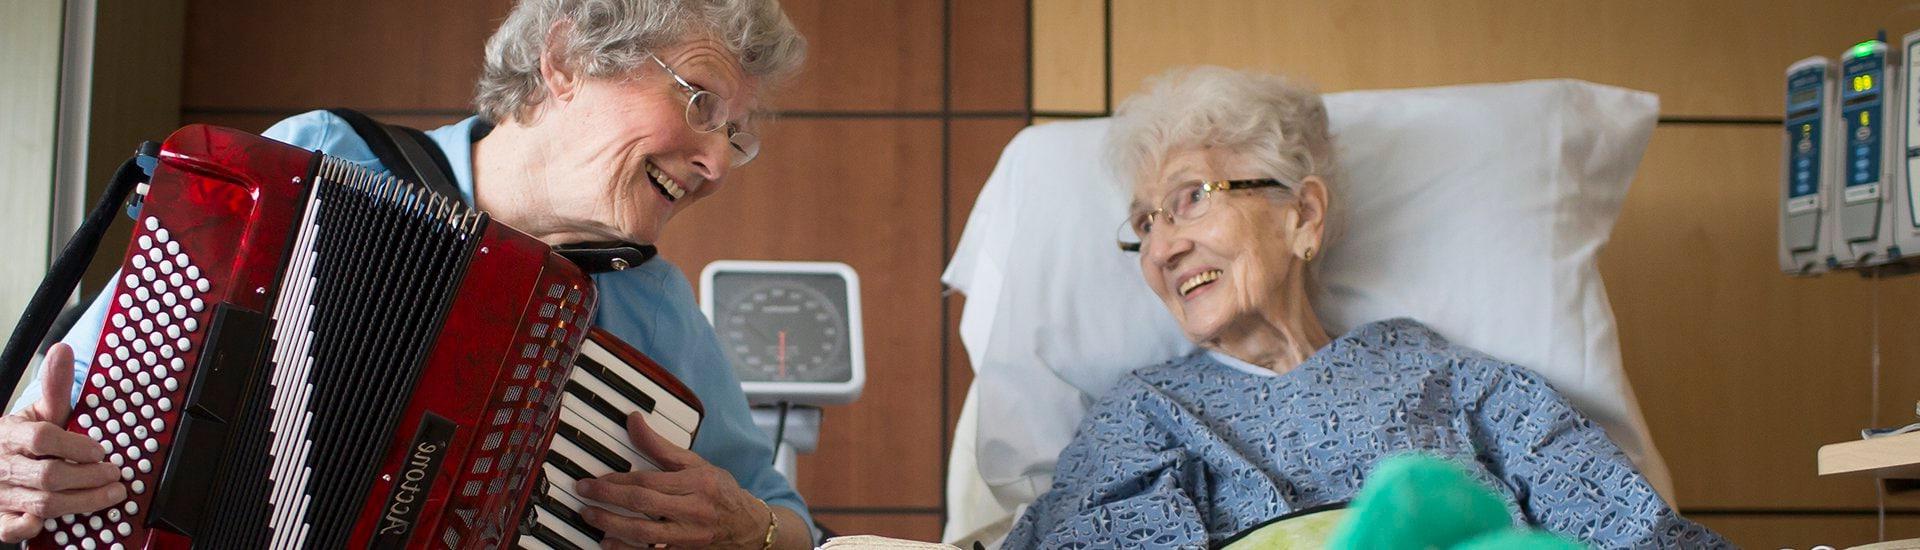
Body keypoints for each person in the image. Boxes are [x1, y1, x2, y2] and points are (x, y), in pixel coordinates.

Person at [0, 0, 816, 547]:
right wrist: (18, 469)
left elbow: (789, 523)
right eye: (701, 102)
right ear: (568, 60)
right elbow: (62, 417)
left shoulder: (656, 313)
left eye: (738, 135)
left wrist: (753, 530)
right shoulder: (317, 161)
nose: (716, 160)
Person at [1000, 67, 1729, 549]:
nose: (1162, 249)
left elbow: (1630, 529)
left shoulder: (1449, 377)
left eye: (1190, 199)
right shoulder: (1144, 413)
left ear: (1302, 216)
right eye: (1146, 223)